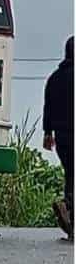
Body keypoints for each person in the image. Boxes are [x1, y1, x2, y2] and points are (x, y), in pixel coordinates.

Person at [44, 35, 74, 240]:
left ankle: (68, 209)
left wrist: (48, 133)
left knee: (71, 173)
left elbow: (48, 107)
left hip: (62, 136)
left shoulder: (55, 78)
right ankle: (68, 206)